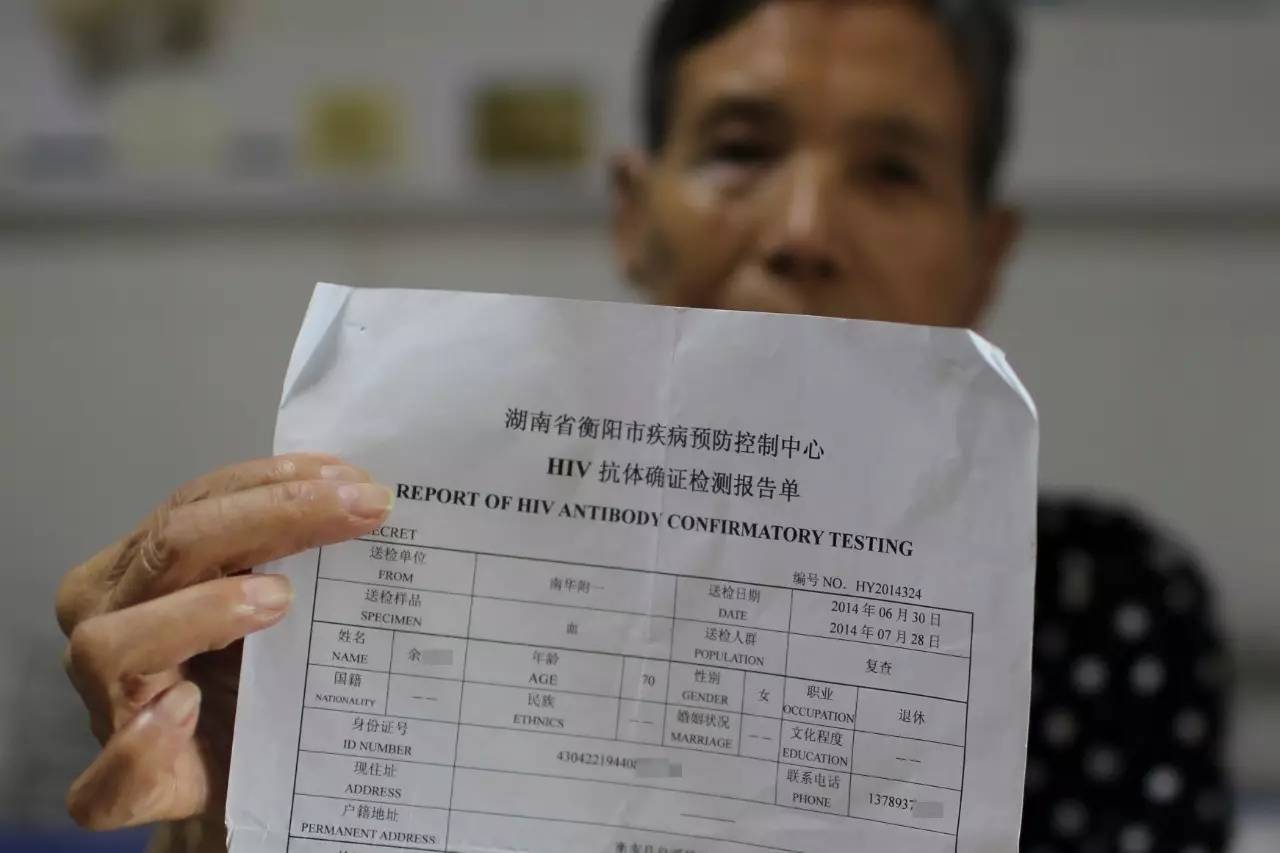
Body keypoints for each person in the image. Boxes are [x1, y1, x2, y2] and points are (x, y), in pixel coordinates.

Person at [55, 1, 1231, 851]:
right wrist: (240, 813)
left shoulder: (1108, 605)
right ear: (633, 214)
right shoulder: (372, 566)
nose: (802, 230)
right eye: (740, 150)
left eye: (890, 171)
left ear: (986, 254)